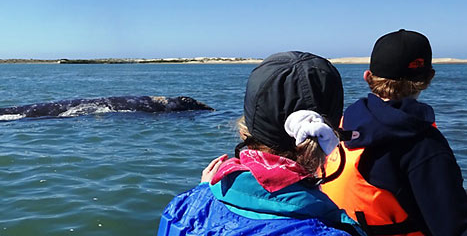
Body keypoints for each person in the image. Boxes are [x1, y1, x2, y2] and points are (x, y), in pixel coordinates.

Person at [158, 51, 366, 236]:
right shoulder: (331, 229)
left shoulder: (182, 207)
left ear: (244, 129)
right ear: (331, 135)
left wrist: (202, 193)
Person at [321, 29, 467, 236]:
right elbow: (452, 227)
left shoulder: (342, 124)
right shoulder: (423, 144)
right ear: (429, 78)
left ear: (368, 76)